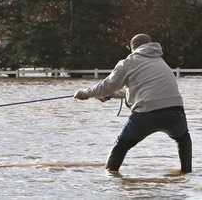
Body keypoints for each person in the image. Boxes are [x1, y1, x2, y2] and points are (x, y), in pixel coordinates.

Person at [74, 34, 192, 174]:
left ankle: (109, 176)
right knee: (183, 138)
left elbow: (108, 85)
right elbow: (139, 89)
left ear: (133, 48)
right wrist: (110, 96)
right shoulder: (160, 61)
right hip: (176, 113)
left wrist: (85, 93)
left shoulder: (129, 62)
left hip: (146, 114)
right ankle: (186, 173)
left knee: (121, 145)